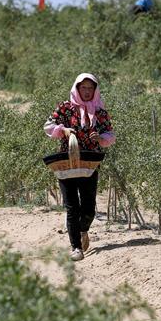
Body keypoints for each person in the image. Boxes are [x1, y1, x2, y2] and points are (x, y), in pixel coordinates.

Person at [44, 73, 116, 261]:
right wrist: (64, 130)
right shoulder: (65, 108)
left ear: (95, 90)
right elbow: (48, 126)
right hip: (66, 163)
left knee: (89, 206)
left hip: (90, 164)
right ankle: (76, 247)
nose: (86, 91)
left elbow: (110, 134)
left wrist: (100, 138)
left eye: (90, 88)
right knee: (71, 207)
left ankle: (84, 229)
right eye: (83, 88)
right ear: (77, 88)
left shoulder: (100, 113)